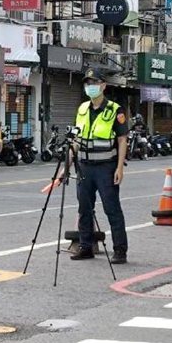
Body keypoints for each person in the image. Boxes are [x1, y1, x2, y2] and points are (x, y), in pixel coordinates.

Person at [70, 69, 129, 265]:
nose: (90, 87)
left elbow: (122, 140)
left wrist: (120, 168)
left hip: (106, 167)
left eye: (94, 83)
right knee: (84, 208)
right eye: (87, 83)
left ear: (103, 85)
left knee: (112, 208)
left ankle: (120, 250)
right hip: (84, 166)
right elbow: (76, 140)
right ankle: (86, 246)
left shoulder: (115, 110)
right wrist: (66, 166)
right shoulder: (82, 109)